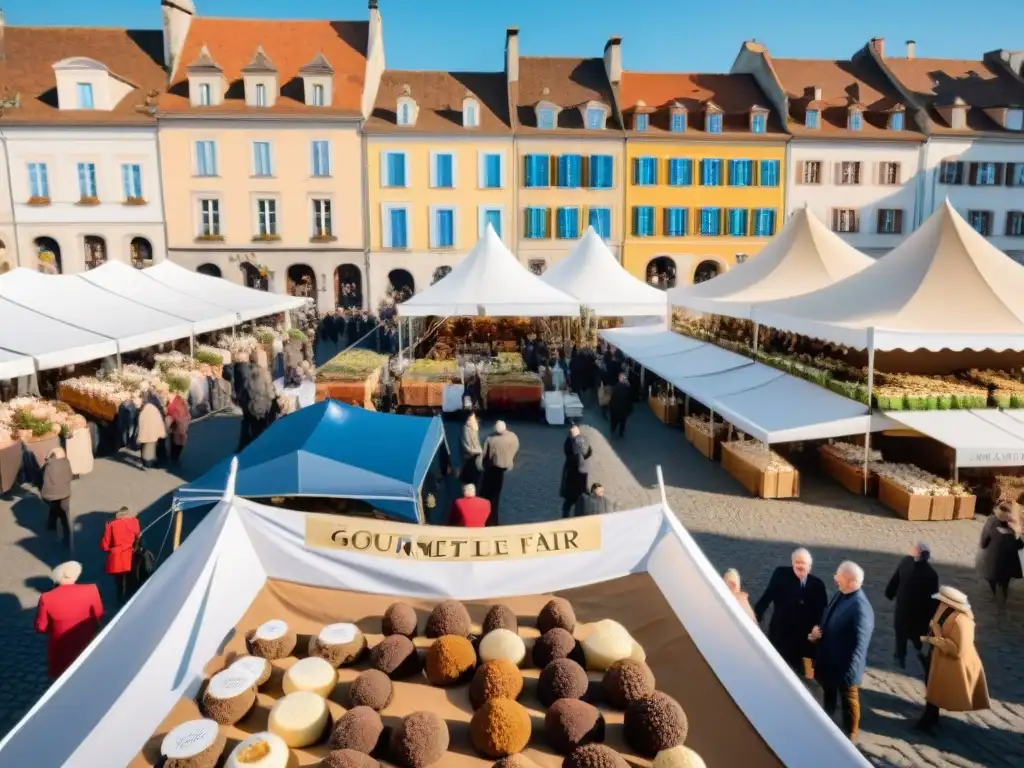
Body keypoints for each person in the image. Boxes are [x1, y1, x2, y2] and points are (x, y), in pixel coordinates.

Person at [809, 561, 874, 741]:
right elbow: (828, 619)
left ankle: (850, 734)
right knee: (828, 693)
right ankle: (828, 719)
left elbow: (860, 645)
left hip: (845, 669)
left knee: (849, 701)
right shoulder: (841, 594)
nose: (835, 578)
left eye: (839, 575)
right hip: (829, 660)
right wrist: (816, 635)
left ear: (850, 580)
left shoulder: (860, 608)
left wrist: (849, 674)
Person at [915, 586, 990, 733]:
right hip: (937, 658)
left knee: (937, 688)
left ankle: (929, 720)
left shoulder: (962, 622)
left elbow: (957, 649)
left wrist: (934, 639)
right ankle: (930, 716)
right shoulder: (944, 611)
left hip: (951, 663)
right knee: (932, 686)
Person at [754, 547, 828, 677]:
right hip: (780, 635)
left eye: (803, 564)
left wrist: (818, 633)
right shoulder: (780, 574)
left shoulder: (818, 585)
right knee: (775, 671)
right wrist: (754, 617)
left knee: (807, 677)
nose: (800, 566)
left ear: (810, 566)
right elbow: (766, 597)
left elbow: (822, 614)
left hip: (805, 641)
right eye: (797, 562)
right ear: (792, 563)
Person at [34, 561, 103, 679]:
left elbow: (41, 627)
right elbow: (99, 613)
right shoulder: (92, 589)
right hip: (87, 641)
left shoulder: (47, 597)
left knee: (63, 677)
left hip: (62, 646)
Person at [884, 541, 939, 672]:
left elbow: (895, 581)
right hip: (919, 615)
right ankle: (918, 650)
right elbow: (933, 599)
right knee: (916, 636)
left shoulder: (905, 562)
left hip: (902, 610)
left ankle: (900, 657)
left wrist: (890, 593)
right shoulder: (932, 574)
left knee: (901, 635)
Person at [976, 502, 1024, 606]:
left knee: (991, 576)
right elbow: (1020, 545)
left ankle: (995, 595)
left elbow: (984, 541)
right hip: (1010, 560)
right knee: (1004, 579)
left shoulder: (991, 521)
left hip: (993, 558)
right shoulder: (1014, 525)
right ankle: (1003, 596)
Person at [480, 420, 519, 526]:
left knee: (488, 495)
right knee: (496, 494)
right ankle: (494, 520)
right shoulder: (513, 437)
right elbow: (516, 447)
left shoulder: (491, 439)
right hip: (503, 467)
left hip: (492, 468)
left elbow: (485, 454)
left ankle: (488, 519)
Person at [100, 506, 140, 603]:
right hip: (132, 554)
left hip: (118, 557)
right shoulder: (134, 521)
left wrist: (107, 529)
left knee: (120, 583)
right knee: (132, 580)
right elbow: (137, 535)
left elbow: (104, 546)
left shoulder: (112, 525)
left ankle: (121, 601)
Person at [41, 447, 74, 546]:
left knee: (59, 512)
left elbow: (42, 476)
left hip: (50, 495)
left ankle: (66, 536)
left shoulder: (49, 465)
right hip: (65, 493)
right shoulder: (66, 463)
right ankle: (52, 524)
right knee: (60, 509)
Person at [560, 424, 592, 517]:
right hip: (574, 476)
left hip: (577, 476)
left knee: (573, 500)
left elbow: (584, 455)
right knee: (571, 500)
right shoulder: (571, 444)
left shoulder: (577, 442)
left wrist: (586, 454)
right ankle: (567, 516)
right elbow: (576, 457)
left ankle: (569, 516)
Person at [136, 394, 167, 469]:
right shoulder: (153, 408)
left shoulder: (147, 409)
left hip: (147, 434)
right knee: (150, 449)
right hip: (152, 434)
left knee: (147, 449)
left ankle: (147, 464)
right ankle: (149, 463)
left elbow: (143, 423)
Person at [166, 387, 191, 464]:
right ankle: (175, 458)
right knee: (178, 443)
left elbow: (172, 415)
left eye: (169, 395)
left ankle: (174, 459)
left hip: (178, 426)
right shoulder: (180, 402)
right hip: (181, 426)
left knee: (175, 443)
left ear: (173, 395)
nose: (168, 397)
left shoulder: (175, 405)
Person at [460, 412, 483, 487]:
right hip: (477, 452)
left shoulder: (465, 427)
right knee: (476, 472)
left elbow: (466, 441)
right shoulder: (475, 426)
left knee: (469, 472)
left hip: (470, 453)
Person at [609, 372, 634, 438]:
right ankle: (621, 433)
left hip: (615, 407)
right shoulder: (627, 387)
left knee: (614, 421)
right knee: (623, 421)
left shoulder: (615, 387)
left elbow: (612, 397)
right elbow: (630, 398)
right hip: (624, 408)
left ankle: (612, 430)